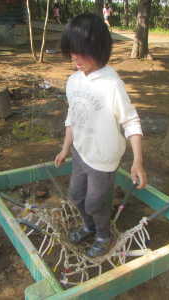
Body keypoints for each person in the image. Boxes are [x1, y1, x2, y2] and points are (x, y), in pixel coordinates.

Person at [54, 13, 147, 258]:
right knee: (75, 195)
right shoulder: (73, 81)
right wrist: (65, 148)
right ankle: (89, 226)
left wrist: (137, 161)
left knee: (96, 202)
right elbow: (72, 117)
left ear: (97, 49)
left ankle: (103, 234)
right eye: (71, 51)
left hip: (104, 159)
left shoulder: (111, 84)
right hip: (81, 152)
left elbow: (131, 121)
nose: (74, 57)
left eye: (80, 51)